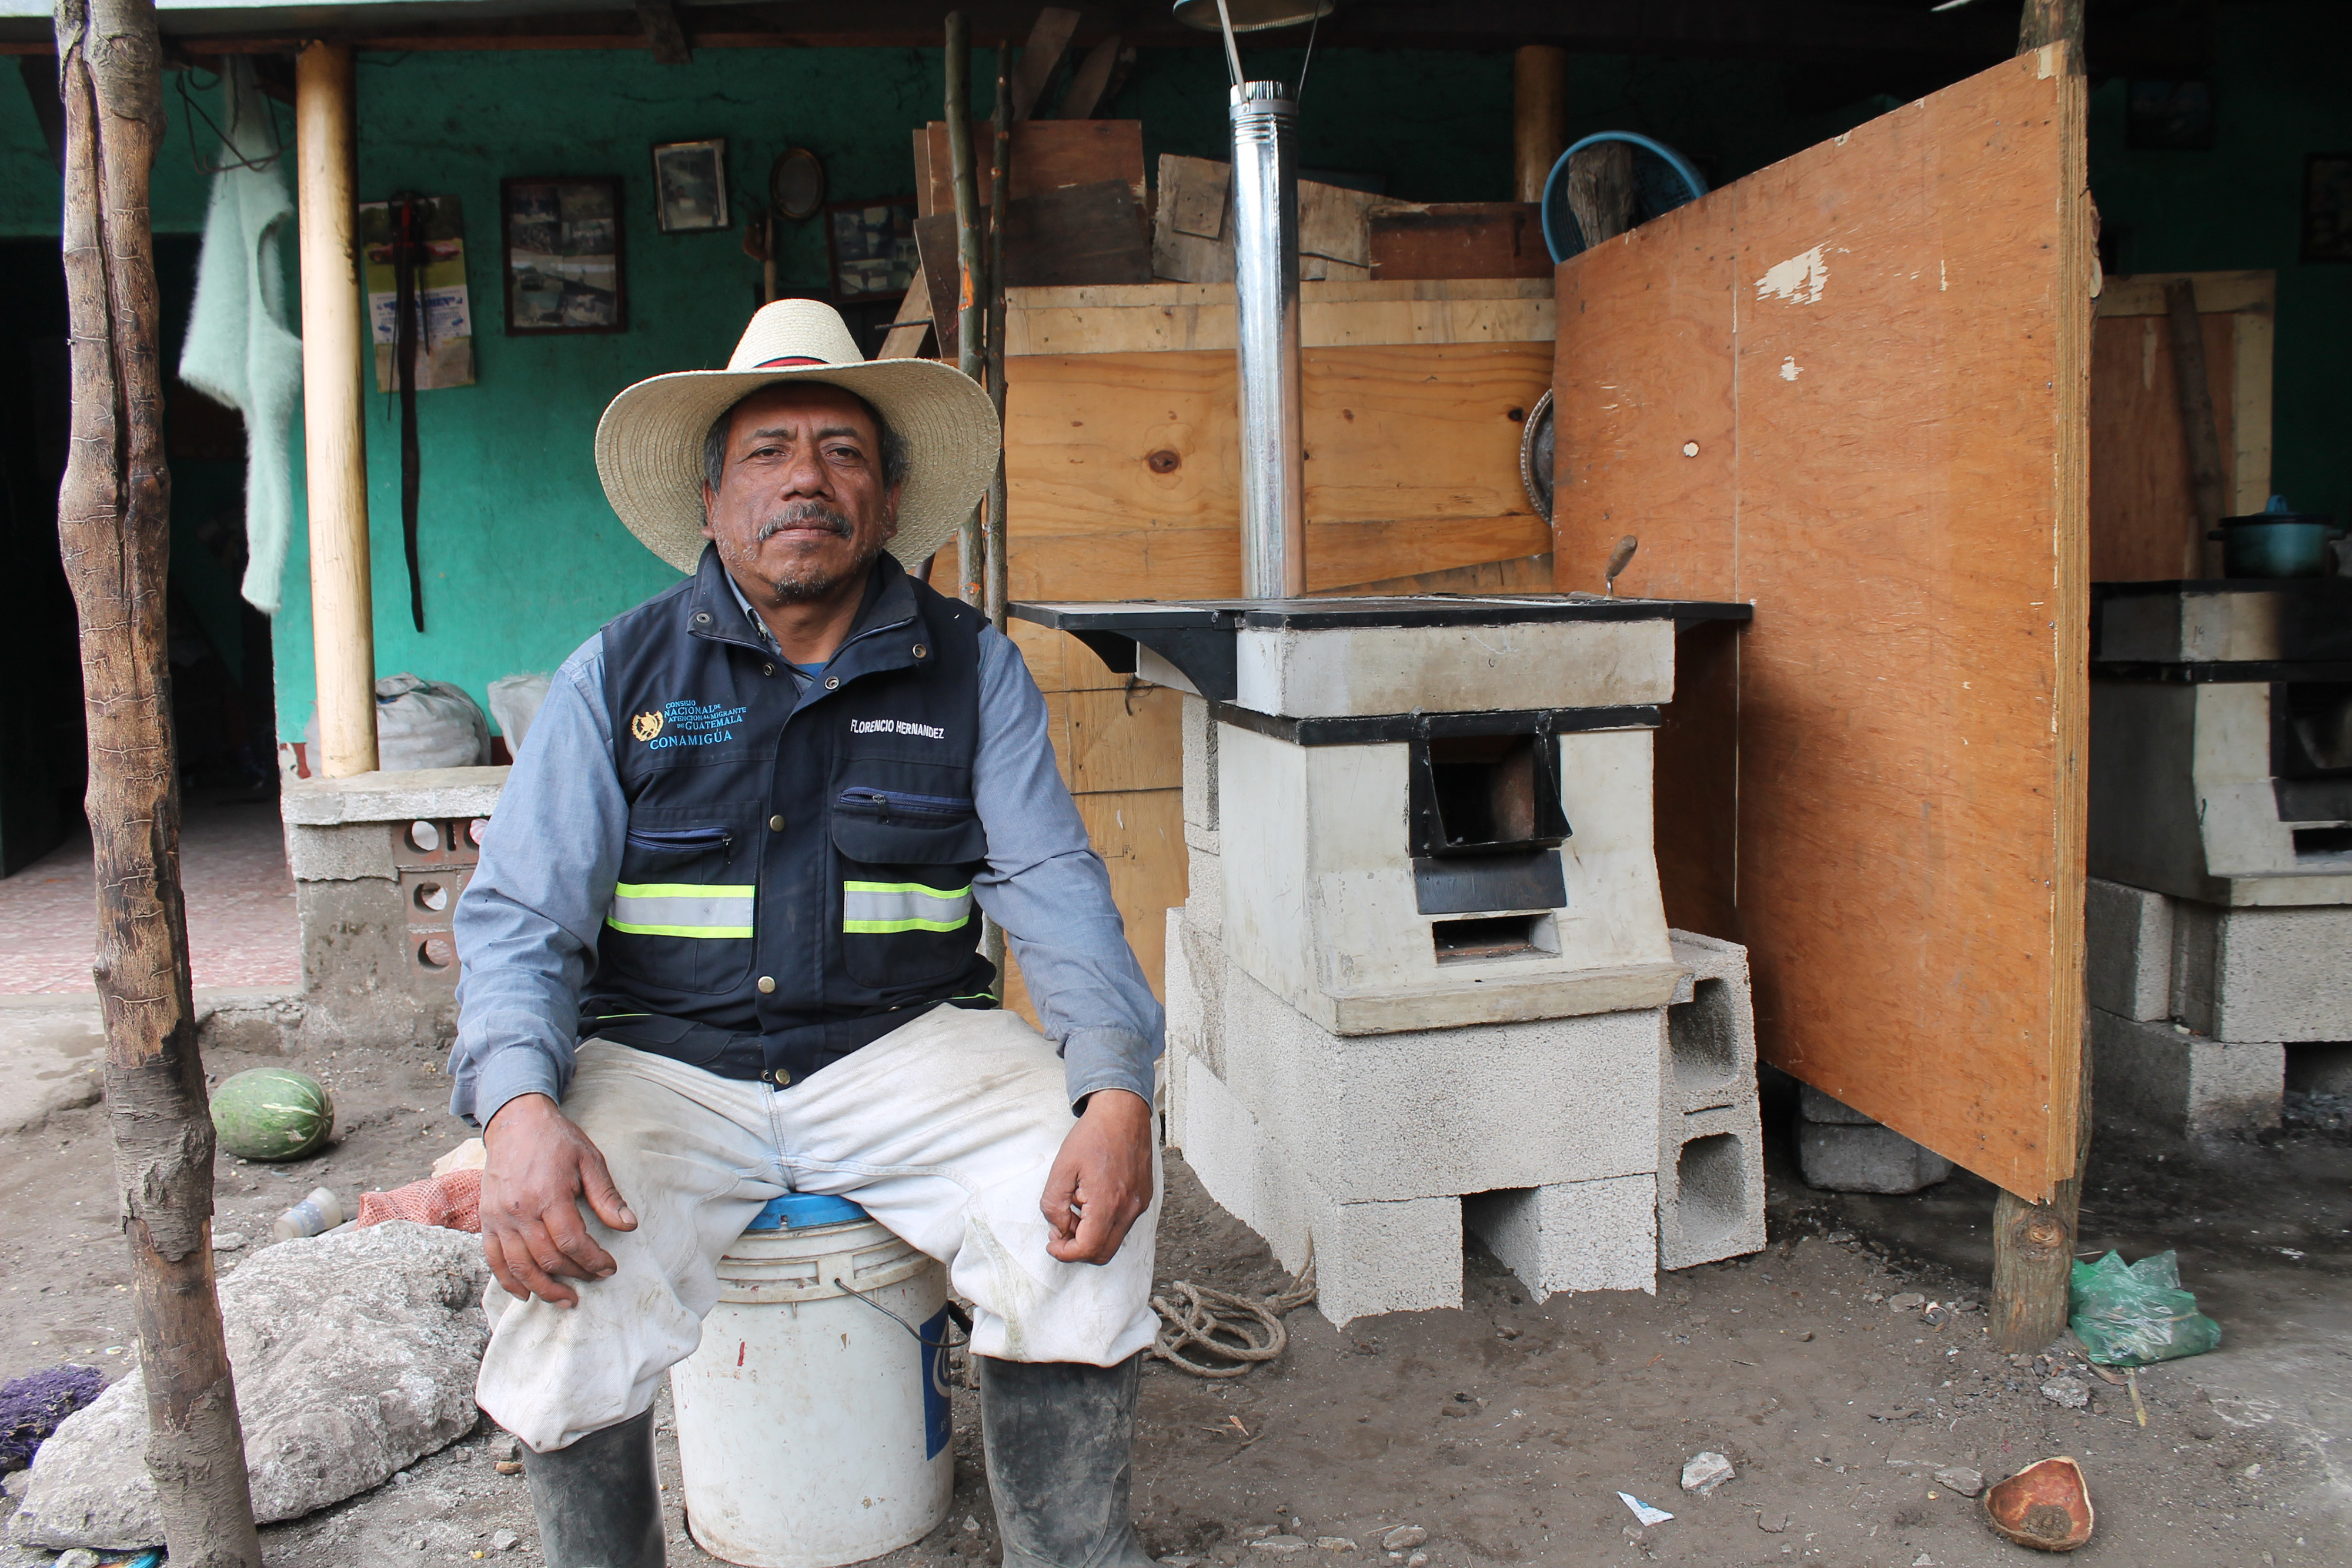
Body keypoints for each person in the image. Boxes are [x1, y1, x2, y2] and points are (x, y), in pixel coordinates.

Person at [448, 299, 1165, 1568]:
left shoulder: (969, 666)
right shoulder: (615, 676)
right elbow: (520, 918)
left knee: (1077, 1222)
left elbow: (1052, 879)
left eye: (841, 451)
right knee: (558, 1288)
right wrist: (512, 1108)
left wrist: (1114, 1092)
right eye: (769, 449)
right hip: (663, 1064)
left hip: (904, 1050)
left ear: (887, 501)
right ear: (714, 497)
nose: (805, 479)